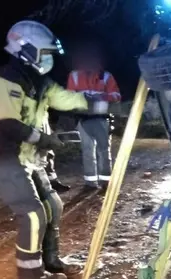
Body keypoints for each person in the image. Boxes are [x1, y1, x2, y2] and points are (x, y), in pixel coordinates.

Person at [0, 20, 109, 279]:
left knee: (53, 205)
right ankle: (30, 274)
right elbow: (7, 124)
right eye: (46, 53)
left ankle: (51, 261)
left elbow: (66, 99)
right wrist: (44, 139)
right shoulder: (5, 79)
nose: (49, 59)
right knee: (32, 214)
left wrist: (98, 104)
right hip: (5, 158)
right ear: (26, 50)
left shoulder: (39, 81)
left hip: (29, 156)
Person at [67, 44, 121, 190]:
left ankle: (106, 181)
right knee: (87, 150)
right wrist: (84, 98)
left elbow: (116, 96)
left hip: (102, 118)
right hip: (82, 118)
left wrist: (101, 97)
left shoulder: (106, 76)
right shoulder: (74, 75)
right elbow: (69, 96)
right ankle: (90, 183)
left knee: (103, 150)